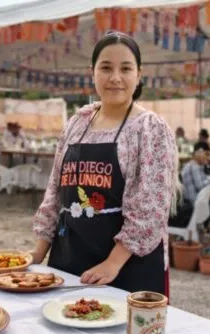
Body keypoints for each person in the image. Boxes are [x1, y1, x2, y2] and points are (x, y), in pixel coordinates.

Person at [32, 31, 178, 295]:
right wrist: (36, 255)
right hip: (68, 260)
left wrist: (112, 264)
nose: (115, 78)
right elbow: (55, 192)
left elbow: (151, 209)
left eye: (125, 68)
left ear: (139, 74)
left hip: (128, 269)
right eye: (106, 68)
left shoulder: (149, 129)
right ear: (93, 72)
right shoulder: (78, 123)